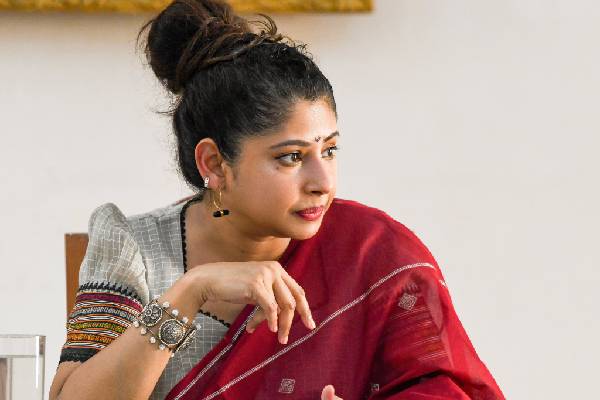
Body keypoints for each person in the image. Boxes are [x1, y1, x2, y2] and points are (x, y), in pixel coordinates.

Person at [49, 1, 505, 399]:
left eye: (330, 150)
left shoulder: (374, 254)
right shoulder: (135, 248)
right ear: (214, 163)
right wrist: (191, 292)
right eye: (291, 157)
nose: (322, 181)